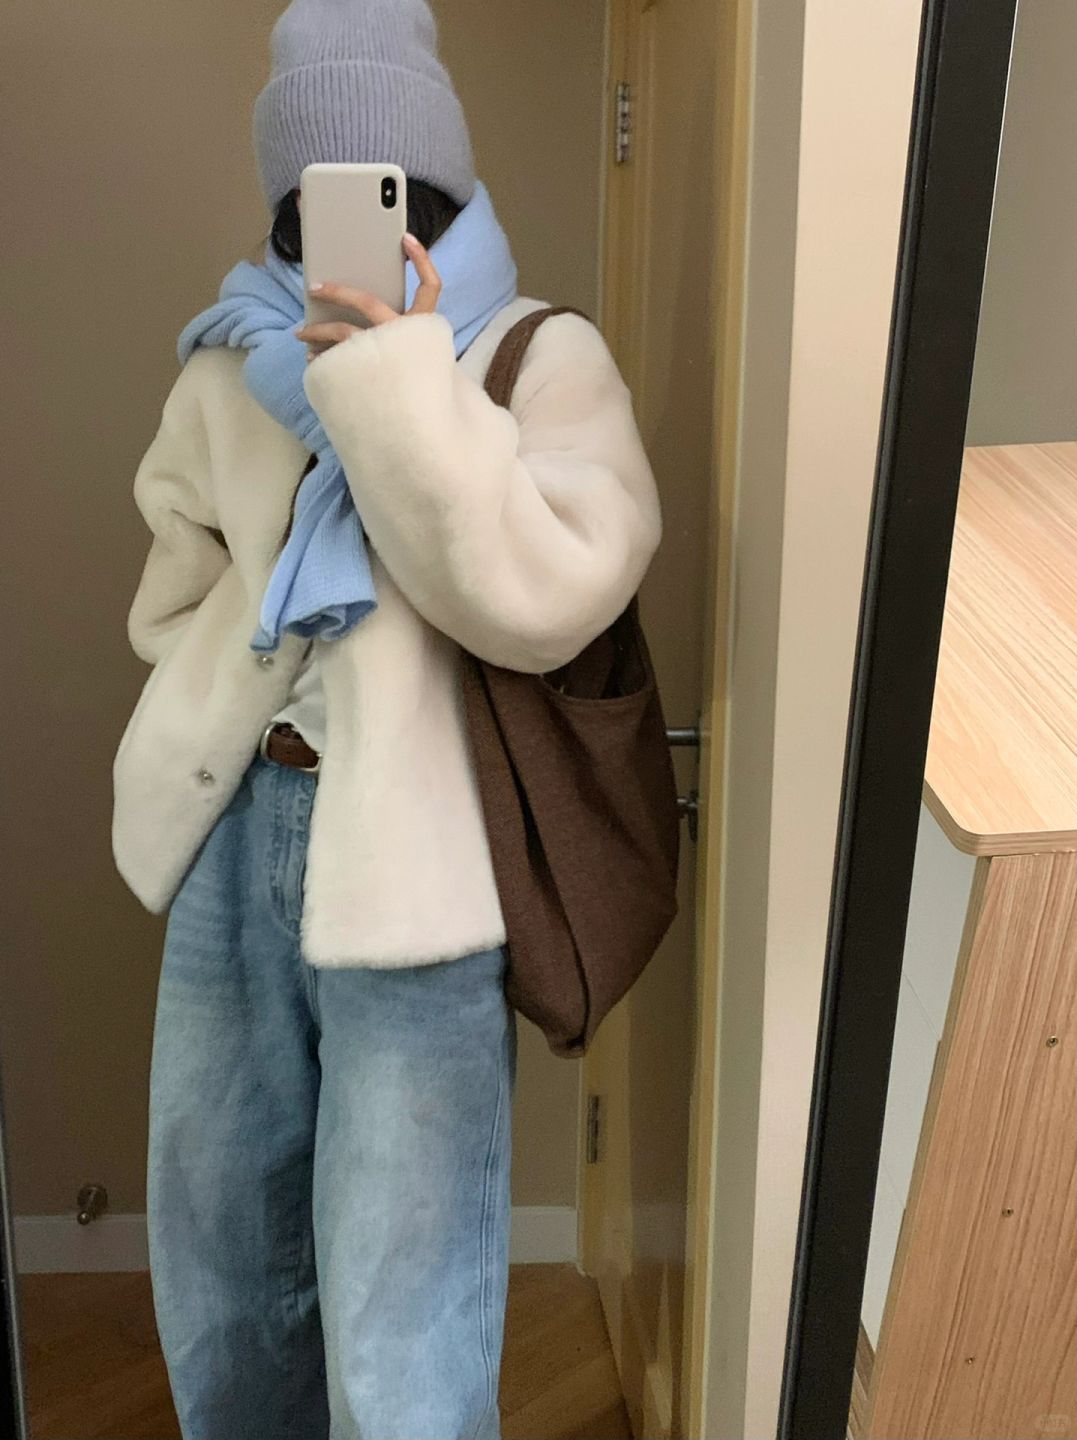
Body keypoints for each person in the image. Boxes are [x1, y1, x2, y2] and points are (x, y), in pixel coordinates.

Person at [112, 1, 663, 1436]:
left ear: (444, 183)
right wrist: (228, 680)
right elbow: (174, 589)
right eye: (323, 195)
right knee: (224, 1257)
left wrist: (394, 386)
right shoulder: (232, 359)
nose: (363, 218)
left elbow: (544, 601)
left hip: (424, 865)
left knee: (402, 1296)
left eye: (397, 188)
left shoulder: (539, 359)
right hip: (239, 836)